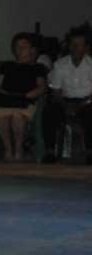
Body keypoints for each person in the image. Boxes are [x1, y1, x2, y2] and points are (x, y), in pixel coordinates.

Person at [0, 32, 47, 161]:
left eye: (23, 46)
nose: (20, 49)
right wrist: (3, 92)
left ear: (31, 49)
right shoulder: (7, 66)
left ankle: (18, 148)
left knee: (17, 116)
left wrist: (26, 96)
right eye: (17, 46)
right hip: (6, 99)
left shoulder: (38, 67)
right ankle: (8, 148)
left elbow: (41, 87)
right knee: (0, 115)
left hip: (25, 100)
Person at [43, 29, 92, 164]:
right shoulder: (60, 65)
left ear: (87, 47)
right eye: (72, 44)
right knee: (49, 111)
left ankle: (90, 152)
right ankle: (50, 151)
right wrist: (66, 106)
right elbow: (56, 92)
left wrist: (83, 104)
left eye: (79, 44)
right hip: (65, 101)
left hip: (87, 102)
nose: (75, 47)